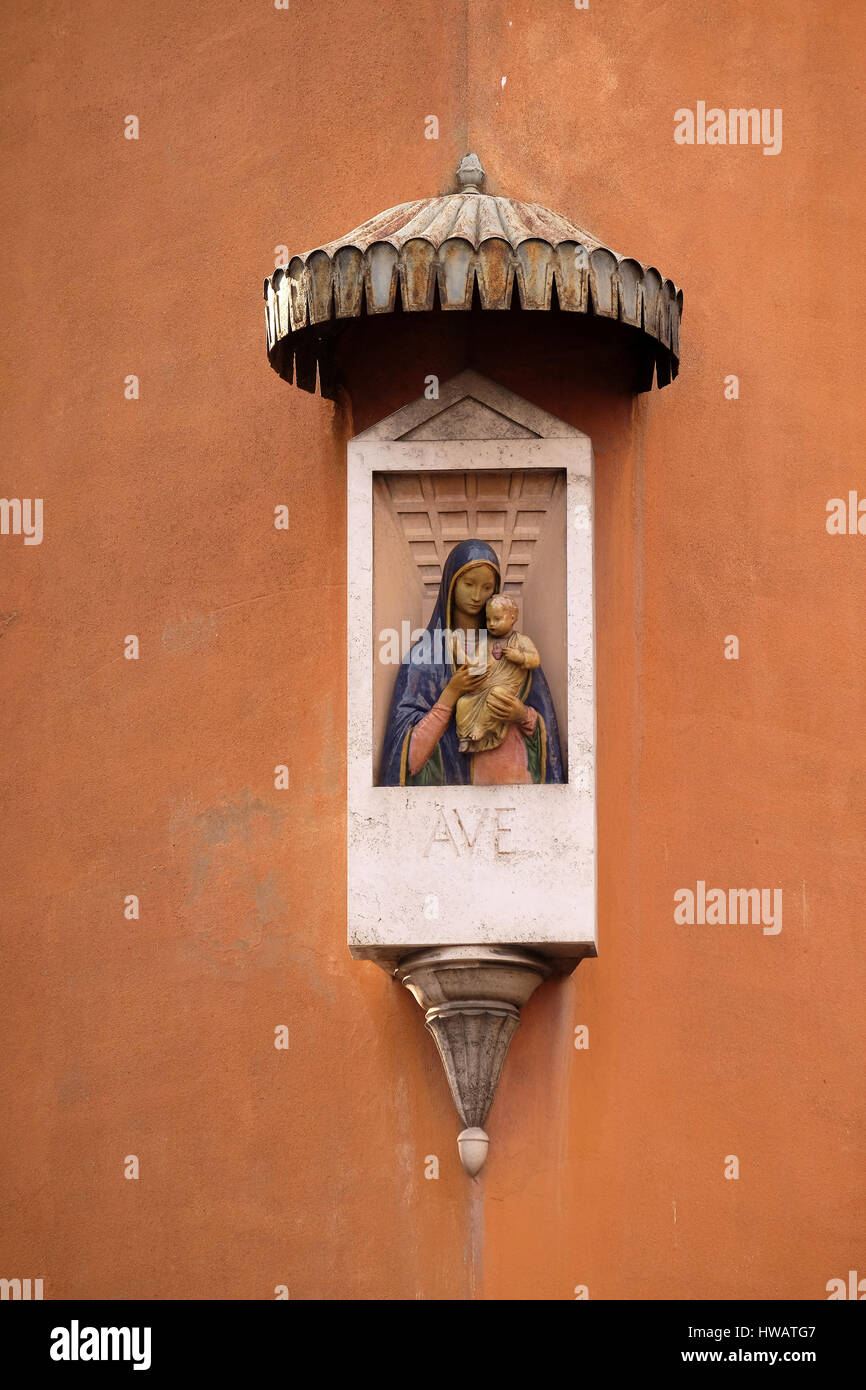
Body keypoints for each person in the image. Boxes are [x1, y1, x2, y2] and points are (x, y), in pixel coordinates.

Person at [380, 537, 563, 786]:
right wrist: (451, 693)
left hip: (514, 784)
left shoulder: (514, 645)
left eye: (487, 587)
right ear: (451, 584)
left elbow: (545, 733)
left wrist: (521, 715)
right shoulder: (424, 656)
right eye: (468, 584)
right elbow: (405, 757)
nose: (477, 596)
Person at [452, 593, 540, 755]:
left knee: (496, 696)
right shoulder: (487, 642)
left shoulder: (521, 640)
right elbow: (475, 666)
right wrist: (459, 652)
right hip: (483, 686)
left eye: (497, 619)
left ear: (513, 617)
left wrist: (519, 657)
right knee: (463, 703)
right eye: (488, 619)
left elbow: (535, 660)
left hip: (504, 689)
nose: (491, 624)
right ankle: (465, 738)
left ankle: (481, 728)